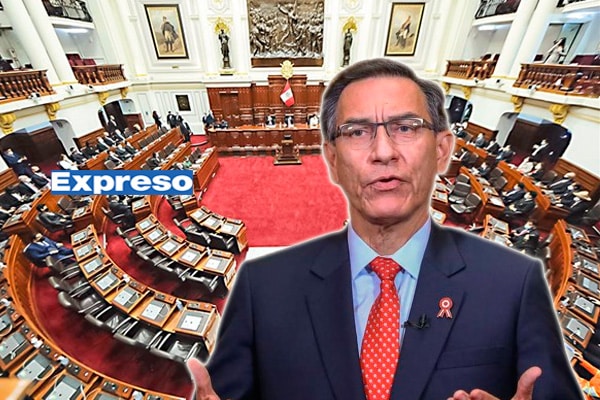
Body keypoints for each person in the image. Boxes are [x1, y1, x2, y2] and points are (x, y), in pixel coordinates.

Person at [187, 59, 582, 399]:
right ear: (332, 158)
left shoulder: (516, 284)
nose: (383, 152)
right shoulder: (260, 287)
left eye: (406, 128)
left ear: (442, 149)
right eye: (357, 132)